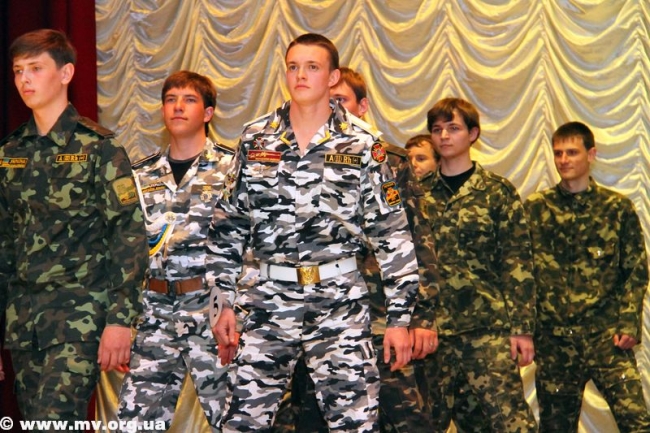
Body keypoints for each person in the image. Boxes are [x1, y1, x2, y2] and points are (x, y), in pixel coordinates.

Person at [210, 33, 420, 432]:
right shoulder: (256, 138)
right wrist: (221, 302)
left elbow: (392, 233)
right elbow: (228, 226)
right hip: (268, 300)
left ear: (332, 77)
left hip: (338, 301)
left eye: (312, 67)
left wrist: (399, 318)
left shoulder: (363, 143)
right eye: (293, 67)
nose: (300, 75)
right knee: (242, 421)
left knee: (355, 422)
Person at [273, 66, 439, 432]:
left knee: (406, 418)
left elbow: (418, 242)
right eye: (327, 100)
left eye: (340, 100)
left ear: (362, 107)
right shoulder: (299, 159)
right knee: (315, 417)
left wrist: (421, 318)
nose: (331, 108)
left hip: (382, 316)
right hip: (321, 314)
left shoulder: (390, 161)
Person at [0, 29, 147, 426]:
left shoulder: (99, 147)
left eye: (35, 68)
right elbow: (5, 246)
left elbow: (128, 235)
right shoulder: (10, 153)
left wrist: (120, 320)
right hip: (24, 323)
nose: (25, 79)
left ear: (65, 73)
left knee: (55, 421)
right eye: (18, 70)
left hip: (79, 318)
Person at [117, 71, 234, 431]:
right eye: (171, 100)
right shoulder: (140, 174)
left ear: (208, 113)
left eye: (189, 100)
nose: (178, 107)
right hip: (154, 314)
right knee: (134, 423)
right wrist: (121, 320)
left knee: (234, 422)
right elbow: (126, 249)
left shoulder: (233, 170)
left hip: (212, 311)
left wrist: (238, 308)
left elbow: (249, 245)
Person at [420, 97, 537, 432]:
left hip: (486, 331)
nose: (444, 136)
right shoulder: (419, 194)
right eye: (437, 129)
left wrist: (522, 329)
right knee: (424, 423)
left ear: (473, 134)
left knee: (511, 424)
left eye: (453, 128)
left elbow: (517, 262)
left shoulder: (497, 192)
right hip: (433, 335)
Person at [524, 121, 650, 431]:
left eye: (572, 152)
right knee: (555, 427)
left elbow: (635, 271)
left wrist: (629, 322)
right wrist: (525, 330)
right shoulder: (536, 209)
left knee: (636, 421)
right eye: (558, 153)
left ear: (591, 154)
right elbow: (521, 274)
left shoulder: (616, 208)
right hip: (555, 341)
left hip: (606, 337)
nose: (563, 160)